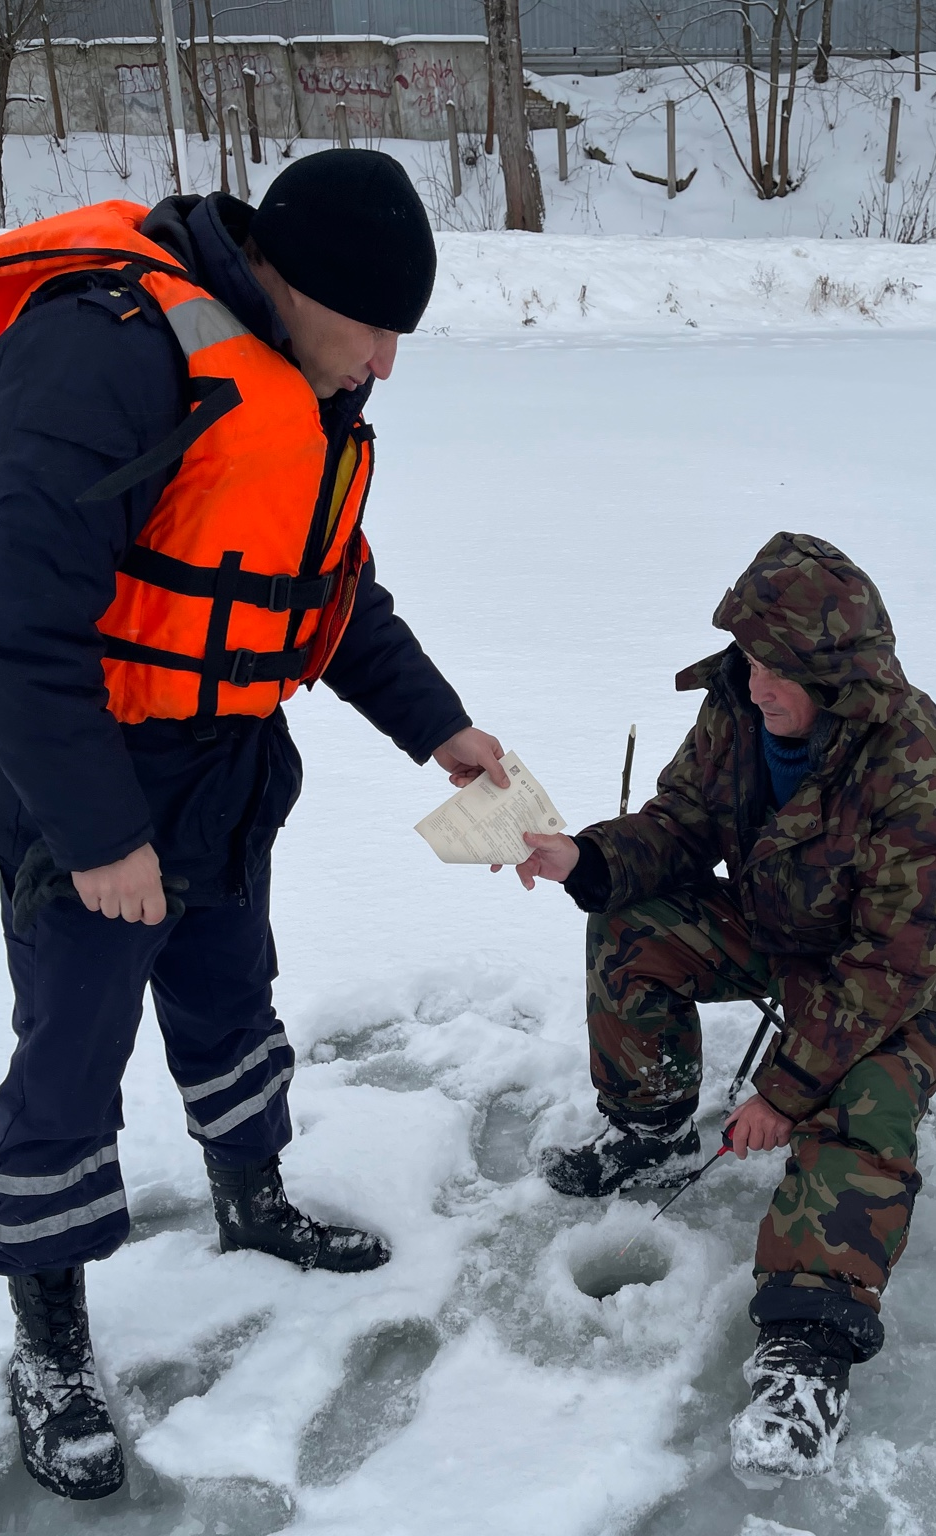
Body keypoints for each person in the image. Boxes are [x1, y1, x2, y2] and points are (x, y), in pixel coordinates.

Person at [0, 150, 507, 1501]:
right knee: (72, 1051)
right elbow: (18, 620)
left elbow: (325, 590)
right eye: (379, 331)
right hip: (82, 777)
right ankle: (46, 1336)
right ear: (293, 282)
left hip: (223, 760)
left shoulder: (295, 380)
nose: (389, 366)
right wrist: (101, 834)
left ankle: (254, 1197)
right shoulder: (105, 353)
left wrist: (439, 728)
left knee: (232, 992)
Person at [506, 532, 936, 1486]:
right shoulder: (740, 708)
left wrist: (784, 1090)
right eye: (751, 658)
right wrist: (589, 859)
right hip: (788, 925)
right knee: (631, 923)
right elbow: (682, 825)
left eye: (780, 667)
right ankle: (648, 1124)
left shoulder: (920, 775)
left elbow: (890, 969)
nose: (758, 681)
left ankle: (807, 1354)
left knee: (862, 1100)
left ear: (836, 677)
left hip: (909, 973)